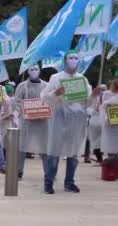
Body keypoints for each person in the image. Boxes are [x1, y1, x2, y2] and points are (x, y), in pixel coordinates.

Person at [40, 51, 95, 194]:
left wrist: (94, 95)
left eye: (76, 58)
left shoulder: (82, 79)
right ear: (65, 61)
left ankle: (69, 182)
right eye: (70, 58)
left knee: (74, 151)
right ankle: (49, 182)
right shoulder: (56, 78)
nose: (73, 60)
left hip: (76, 120)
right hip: (58, 118)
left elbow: (87, 101)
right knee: (54, 150)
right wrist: (56, 93)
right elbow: (45, 97)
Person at [15, 65, 49, 180]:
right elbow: (17, 102)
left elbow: (50, 101)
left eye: (36, 69)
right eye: (31, 69)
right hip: (27, 122)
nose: (34, 71)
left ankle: (48, 172)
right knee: (22, 146)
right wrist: (26, 111)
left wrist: (44, 112)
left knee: (44, 147)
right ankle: (19, 171)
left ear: (40, 70)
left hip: (42, 122)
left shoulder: (46, 86)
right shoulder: (22, 86)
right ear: (28, 71)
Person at [88, 85, 107, 164]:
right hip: (95, 121)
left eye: (104, 90)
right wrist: (96, 109)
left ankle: (104, 158)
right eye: (100, 90)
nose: (102, 92)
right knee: (95, 142)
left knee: (104, 141)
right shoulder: (93, 98)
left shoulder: (108, 97)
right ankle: (99, 159)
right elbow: (88, 108)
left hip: (105, 122)